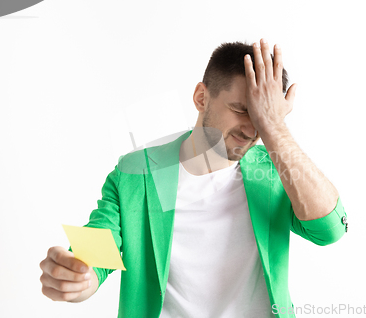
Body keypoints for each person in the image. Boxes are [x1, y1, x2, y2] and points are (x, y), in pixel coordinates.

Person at [39, 38, 348, 318]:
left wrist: (276, 129)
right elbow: (98, 245)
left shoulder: (278, 170)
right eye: (241, 109)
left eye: (263, 116)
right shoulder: (136, 172)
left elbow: (328, 230)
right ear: (202, 97)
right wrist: (80, 275)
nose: (252, 130)